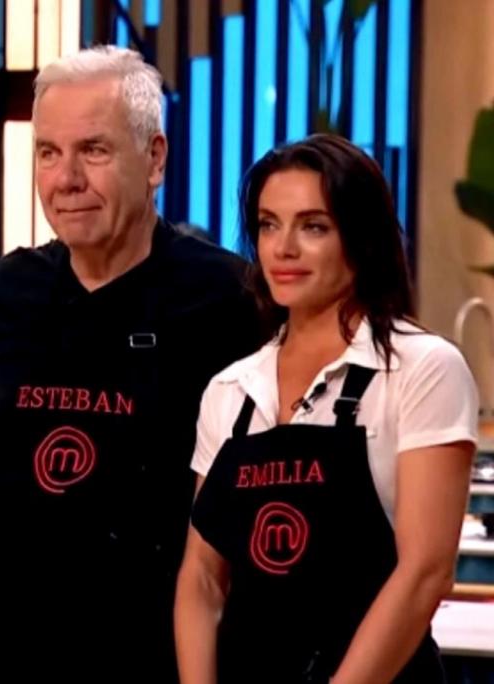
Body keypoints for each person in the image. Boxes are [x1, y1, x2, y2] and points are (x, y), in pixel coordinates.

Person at [0, 46, 260, 682]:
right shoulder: (8, 289)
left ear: (155, 159)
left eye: (93, 150)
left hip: (159, 662)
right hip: (9, 659)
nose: (66, 179)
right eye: (48, 153)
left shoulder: (230, 300)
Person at [175, 134, 478, 684]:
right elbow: (202, 577)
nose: (283, 248)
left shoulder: (422, 369)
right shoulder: (231, 389)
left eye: (313, 226)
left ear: (362, 240)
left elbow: (424, 574)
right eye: (269, 225)